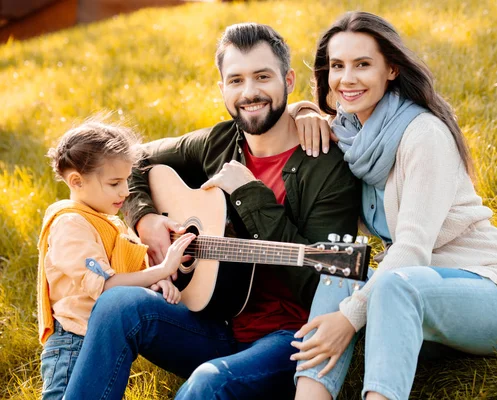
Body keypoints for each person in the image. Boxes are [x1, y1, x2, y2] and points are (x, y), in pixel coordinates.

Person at [63, 23, 361, 400]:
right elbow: (133, 160)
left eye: (262, 77)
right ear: (222, 89)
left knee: (208, 382)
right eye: (235, 80)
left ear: (288, 79)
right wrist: (145, 218)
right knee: (118, 302)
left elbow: (318, 284)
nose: (249, 92)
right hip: (211, 322)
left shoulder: (326, 165)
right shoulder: (220, 142)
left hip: (287, 339)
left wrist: (250, 195)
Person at [292, 11, 497, 400]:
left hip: (489, 295)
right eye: (337, 66)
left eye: (363, 64)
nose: (347, 78)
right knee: (338, 259)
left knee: (394, 283)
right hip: (416, 300)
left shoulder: (423, 134)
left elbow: (411, 249)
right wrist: (301, 111)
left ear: (391, 69)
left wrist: (349, 316)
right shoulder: (350, 136)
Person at [37, 118, 196, 400]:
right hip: (73, 341)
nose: (126, 191)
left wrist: (155, 284)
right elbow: (107, 286)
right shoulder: (71, 224)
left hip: (97, 336)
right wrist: (162, 269)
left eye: (126, 179)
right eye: (114, 183)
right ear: (76, 181)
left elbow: (125, 272)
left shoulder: (106, 221)